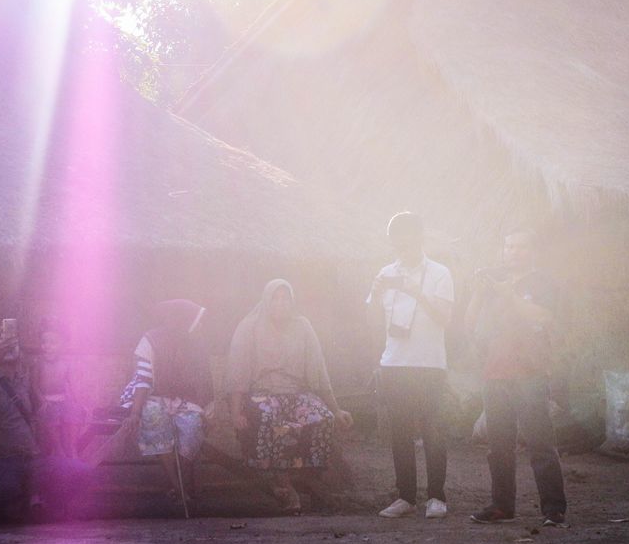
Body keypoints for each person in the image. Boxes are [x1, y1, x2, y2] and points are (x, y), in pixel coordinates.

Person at [466, 227, 567, 526]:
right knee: (498, 446)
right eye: (508, 247)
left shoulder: (543, 282)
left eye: (520, 247)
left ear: (533, 251)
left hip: (530, 373)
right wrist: (477, 293)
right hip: (495, 372)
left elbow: (543, 317)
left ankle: (553, 508)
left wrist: (508, 294)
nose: (512, 253)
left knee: (540, 443)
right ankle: (501, 506)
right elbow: (470, 325)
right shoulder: (494, 284)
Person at [225, 280, 353, 513]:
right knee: (270, 420)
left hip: (296, 394)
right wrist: (235, 412)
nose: (281, 303)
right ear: (266, 300)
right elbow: (238, 371)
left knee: (321, 418)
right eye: (276, 298)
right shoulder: (250, 327)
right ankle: (283, 483)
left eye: (286, 298)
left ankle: (308, 477)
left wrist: (336, 409)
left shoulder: (303, 326)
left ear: (292, 301)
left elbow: (318, 370)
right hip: (262, 395)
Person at [367, 212, 455, 520]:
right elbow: (370, 321)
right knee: (400, 433)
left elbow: (445, 319)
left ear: (420, 239)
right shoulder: (386, 272)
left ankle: (436, 497)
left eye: (407, 241)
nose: (402, 248)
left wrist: (414, 291)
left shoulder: (440, 273)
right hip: (394, 364)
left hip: (430, 365)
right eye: (397, 243)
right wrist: (377, 292)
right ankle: (405, 496)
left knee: (433, 431)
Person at [0, 320, 90, 522]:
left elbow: (45, 409)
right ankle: (4, 505)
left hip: (33, 459)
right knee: (5, 489)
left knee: (81, 472)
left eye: (12, 342)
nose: (8, 344)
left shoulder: (24, 381)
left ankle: (44, 507)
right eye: (0, 341)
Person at [118, 300, 212, 505]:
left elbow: (203, 382)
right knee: (153, 417)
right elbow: (143, 379)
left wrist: (207, 409)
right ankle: (179, 489)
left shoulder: (196, 345)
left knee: (193, 428)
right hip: (152, 395)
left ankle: (176, 484)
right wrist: (134, 413)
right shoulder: (150, 340)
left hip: (186, 399)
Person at [33, 328, 85, 458]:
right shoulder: (38, 363)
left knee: (74, 410)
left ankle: (72, 448)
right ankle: (58, 448)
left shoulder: (65, 364)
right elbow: (34, 385)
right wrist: (41, 400)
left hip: (63, 400)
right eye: (44, 342)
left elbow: (72, 385)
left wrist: (78, 402)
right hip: (46, 401)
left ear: (62, 345)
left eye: (52, 343)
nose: (47, 346)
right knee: (50, 413)